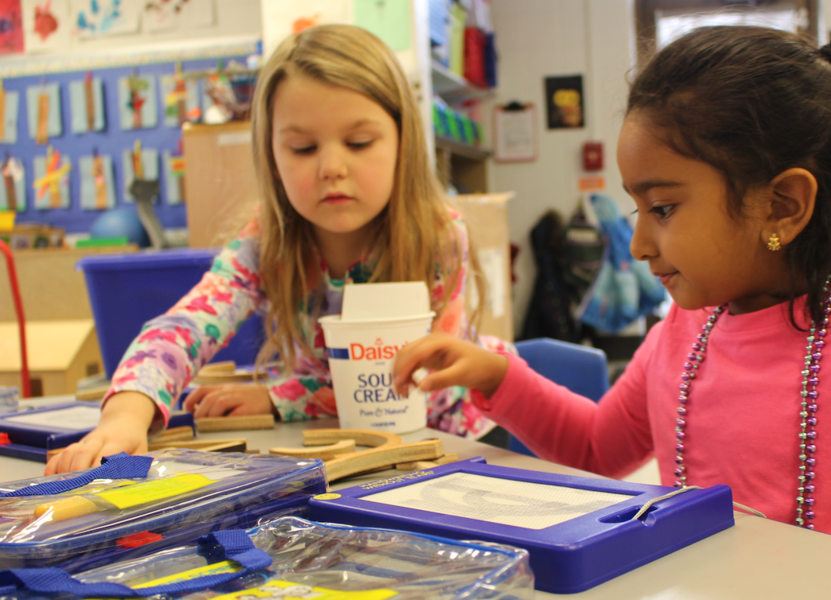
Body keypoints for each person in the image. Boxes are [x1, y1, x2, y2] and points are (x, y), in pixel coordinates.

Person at [393, 26, 831, 559]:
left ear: (782, 206)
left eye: (663, 207)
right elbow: (596, 448)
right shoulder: (683, 333)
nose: (636, 244)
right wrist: (499, 377)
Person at [47, 24, 511, 475]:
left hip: (454, 442)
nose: (331, 167)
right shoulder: (266, 241)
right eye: (303, 147)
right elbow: (185, 326)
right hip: (341, 447)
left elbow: (411, 385)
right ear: (272, 155)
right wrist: (127, 411)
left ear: (403, 142)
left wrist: (281, 397)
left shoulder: (437, 234)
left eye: (359, 142)